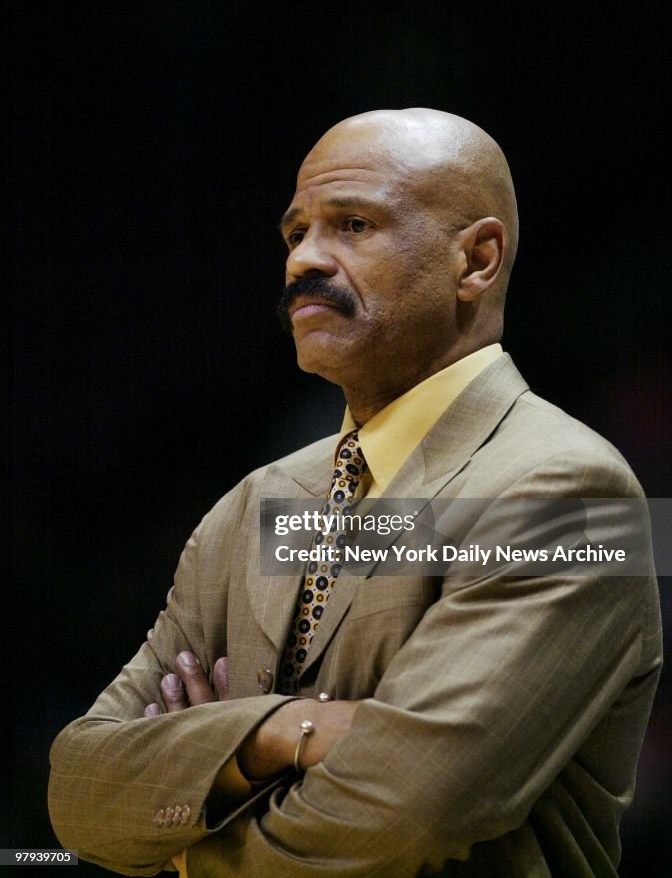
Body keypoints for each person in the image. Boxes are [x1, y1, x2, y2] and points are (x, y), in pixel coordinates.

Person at [49, 109, 662, 877]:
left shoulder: (577, 492)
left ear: (476, 259)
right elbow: (78, 790)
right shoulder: (259, 500)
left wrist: (185, 831)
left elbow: (410, 813)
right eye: (295, 232)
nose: (304, 259)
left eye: (353, 225)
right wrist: (284, 731)